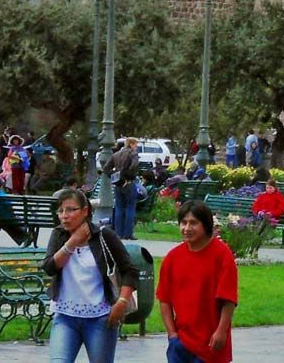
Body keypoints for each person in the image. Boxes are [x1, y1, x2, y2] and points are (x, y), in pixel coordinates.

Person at [41, 186, 138, 363]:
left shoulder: (104, 236)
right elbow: (49, 267)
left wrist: (122, 302)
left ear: (85, 211)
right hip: (65, 317)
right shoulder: (59, 235)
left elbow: (129, 270)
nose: (64, 215)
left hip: (100, 318)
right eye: (61, 210)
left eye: (71, 209)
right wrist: (72, 242)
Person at [157, 200, 238, 363]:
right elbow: (164, 299)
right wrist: (172, 335)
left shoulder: (222, 255)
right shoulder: (173, 258)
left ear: (206, 225)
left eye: (193, 223)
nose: (187, 228)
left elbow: (229, 299)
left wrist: (221, 332)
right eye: (183, 223)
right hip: (180, 344)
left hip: (211, 344)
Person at [109, 137, 140, 241]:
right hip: (129, 182)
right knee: (130, 207)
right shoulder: (133, 154)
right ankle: (128, 234)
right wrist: (127, 174)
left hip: (118, 184)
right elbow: (134, 165)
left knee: (119, 207)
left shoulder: (116, 154)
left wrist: (114, 176)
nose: (137, 147)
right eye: (136, 144)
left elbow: (105, 167)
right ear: (131, 144)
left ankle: (118, 233)